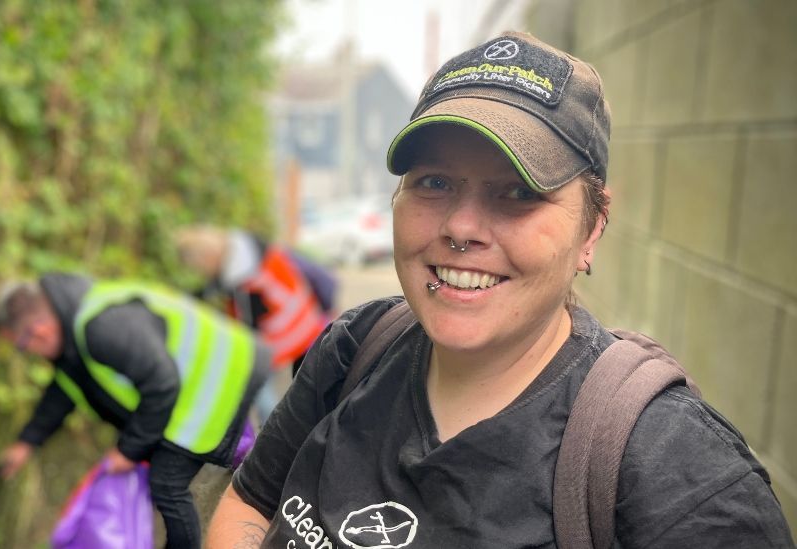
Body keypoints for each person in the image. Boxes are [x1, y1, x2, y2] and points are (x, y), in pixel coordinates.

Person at [206, 31, 795, 548]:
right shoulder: (355, 347)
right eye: (434, 182)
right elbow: (253, 499)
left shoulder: (675, 474)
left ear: (592, 225)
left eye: (517, 193)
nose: (461, 227)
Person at [0, 272, 271, 549]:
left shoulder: (100, 326)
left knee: (166, 483)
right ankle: (260, 478)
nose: (28, 353)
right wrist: (27, 442)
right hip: (209, 384)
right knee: (192, 469)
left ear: (38, 332)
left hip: (223, 381)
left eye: (21, 346)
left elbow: (161, 385)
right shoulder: (73, 336)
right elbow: (63, 391)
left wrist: (129, 449)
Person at [175, 226, 333, 422]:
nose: (201, 273)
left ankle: (277, 433)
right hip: (306, 320)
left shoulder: (245, 286)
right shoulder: (254, 248)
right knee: (310, 393)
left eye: (199, 268)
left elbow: (248, 333)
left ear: (207, 258)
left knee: (260, 385)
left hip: (288, 334)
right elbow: (217, 285)